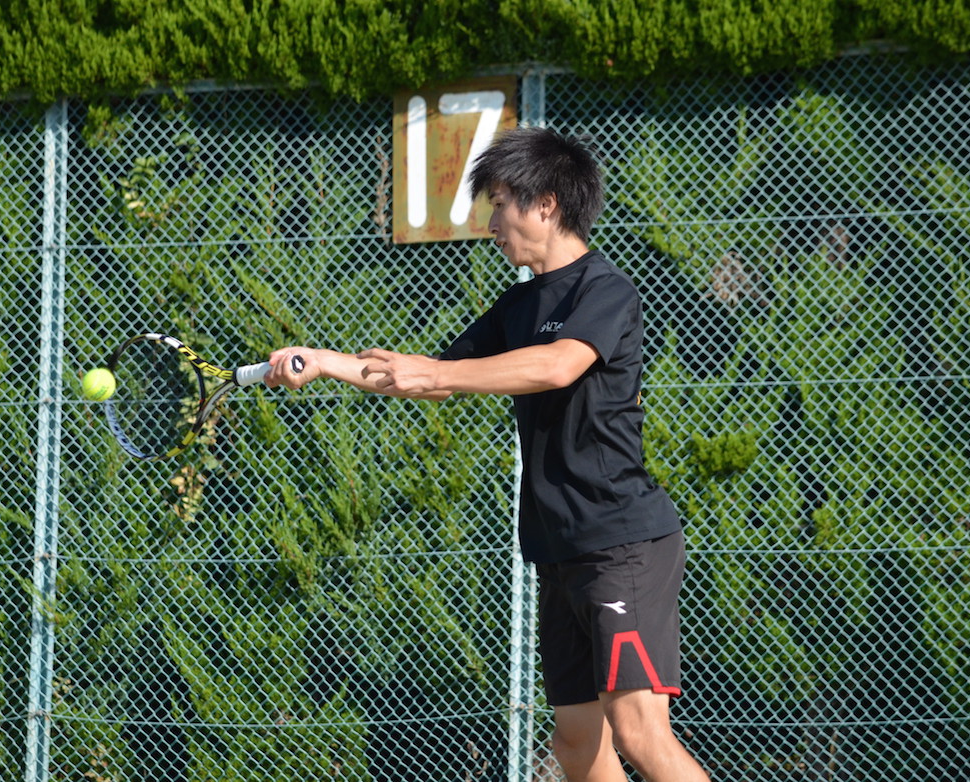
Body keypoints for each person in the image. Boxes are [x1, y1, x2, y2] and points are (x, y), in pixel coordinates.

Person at [264, 126, 710, 782]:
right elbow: (426, 376)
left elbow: (557, 365)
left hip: (620, 543)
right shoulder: (517, 304)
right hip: (558, 547)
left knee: (639, 734)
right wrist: (326, 361)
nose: (492, 224)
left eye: (500, 205)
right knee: (575, 745)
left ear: (546, 204)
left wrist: (435, 373)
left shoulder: (605, 289)